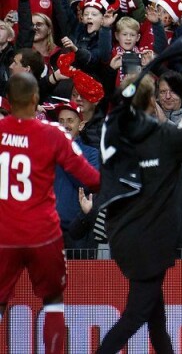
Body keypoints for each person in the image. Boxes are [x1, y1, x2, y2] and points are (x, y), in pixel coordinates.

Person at [95, 72, 182, 354]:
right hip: (152, 241)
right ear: (152, 101)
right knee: (136, 315)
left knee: (155, 318)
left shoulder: (114, 142)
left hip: (125, 237)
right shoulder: (165, 138)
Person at [0, 73, 100, 354]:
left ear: (9, 101)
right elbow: (91, 179)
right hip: (43, 234)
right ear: (35, 99)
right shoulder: (52, 135)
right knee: (53, 300)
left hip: (4, 232)